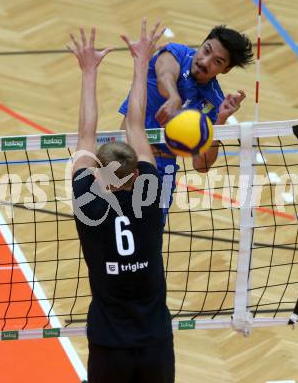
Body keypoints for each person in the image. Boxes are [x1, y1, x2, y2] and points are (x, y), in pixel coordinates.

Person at [70, 20, 174, 383]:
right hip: (154, 345)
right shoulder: (149, 197)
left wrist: (88, 71)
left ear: (99, 174)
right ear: (134, 174)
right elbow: (135, 127)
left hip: (109, 345)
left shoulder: (89, 205)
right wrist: (141, 62)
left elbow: (85, 136)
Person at [119, 25, 253, 220]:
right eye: (206, 50)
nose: (205, 61)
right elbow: (165, 75)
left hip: (162, 169)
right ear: (201, 44)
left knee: (148, 236)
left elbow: (201, 165)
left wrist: (220, 121)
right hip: (124, 156)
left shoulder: (214, 102)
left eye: (217, 61)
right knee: (105, 233)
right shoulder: (176, 53)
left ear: (226, 69)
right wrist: (174, 97)